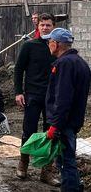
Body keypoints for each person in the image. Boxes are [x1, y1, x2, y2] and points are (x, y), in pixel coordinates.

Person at [14, 13, 59, 185]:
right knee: (28, 130)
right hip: (32, 95)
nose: (45, 27)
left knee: (51, 132)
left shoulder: (57, 47)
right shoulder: (29, 46)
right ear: (38, 26)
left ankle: (46, 171)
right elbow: (18, 70)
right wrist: (18, 92)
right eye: (43, 25)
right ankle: (23, 163)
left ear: (53, 26)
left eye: (48, 25)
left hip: (53, 97)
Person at [44, 28, 91, 191]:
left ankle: (71, 188)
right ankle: (74, 186)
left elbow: (63, 99)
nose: (48, 45)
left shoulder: (64, 64)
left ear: (56, 44)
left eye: (49, 42)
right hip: (74, 120)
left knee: (65, 161)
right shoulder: (81, 62)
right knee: (67, 159)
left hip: (64, 123)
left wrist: (55, 125)